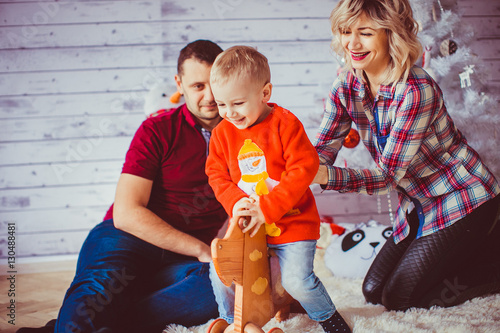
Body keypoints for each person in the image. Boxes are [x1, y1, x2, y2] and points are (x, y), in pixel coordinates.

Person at [17, 40, 228, 333]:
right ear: (179, 84)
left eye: (214, 85)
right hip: (126, 239)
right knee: (99, 289)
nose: (209, 96)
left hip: (184, 262)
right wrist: (201, 249)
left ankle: (89, 325)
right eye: (197, 86)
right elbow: (127, 214)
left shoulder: (246, 139)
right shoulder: (157, 129)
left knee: (216, 290)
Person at [313, 0, 500, 312]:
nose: (352, 43)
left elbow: (387, 177)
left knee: (402, 298)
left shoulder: (415, 90)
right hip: (418, 202)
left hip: (463, 198)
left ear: (391, 36)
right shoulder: (345, 84)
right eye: (346, 31)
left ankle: (491, 261)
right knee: (373, 291)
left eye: (366, 33)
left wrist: (325, 176)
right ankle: (460, 253)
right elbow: (322, 151)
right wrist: (294, 169)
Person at [205, 45, 351, 333]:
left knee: (297, 280)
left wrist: (268, 208)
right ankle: (231, 319)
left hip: (293, 223)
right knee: (222, 267)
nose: (229, 113)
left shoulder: (285, 124)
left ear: (265, 93)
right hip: (249, 227)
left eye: (237, 103)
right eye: (221, 105)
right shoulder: (222, 133)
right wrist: (235, 202)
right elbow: (216, 173)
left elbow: (304, 168)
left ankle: (331, 320)